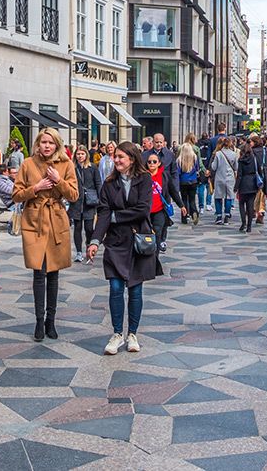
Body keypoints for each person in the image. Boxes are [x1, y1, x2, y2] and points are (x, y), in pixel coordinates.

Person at [88, 142, 163, 355]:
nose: (117, 160)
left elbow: (143, 210)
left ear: (132, 158)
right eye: (116, 157)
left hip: (138, 241)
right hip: (115, 242)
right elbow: (103, 213)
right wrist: (95, 241)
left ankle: (132, 334)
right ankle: (117, 334)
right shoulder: (109, 183)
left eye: (121, 157)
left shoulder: (144, 179)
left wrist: (116, 216)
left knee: (136, 290)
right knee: (115, 288)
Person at [13, 128, 79, 342]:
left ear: (57, 144)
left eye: (51, 142)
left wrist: (58, 180)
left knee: (54, 272)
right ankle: (39, 321)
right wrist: (36, 187)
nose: (47, 146)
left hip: (56, 219)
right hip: (34, 220)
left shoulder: (66, 164)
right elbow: (15, 195)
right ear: (38, 144)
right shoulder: (28, 164)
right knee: (38, 272)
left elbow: (74, 195)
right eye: (43, 142)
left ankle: (51, 320)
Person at [71, 145, 103, 261]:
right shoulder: (73, 168)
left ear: (86, 155)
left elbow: (98, 183)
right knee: (77, 228)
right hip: (76, 202)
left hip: (89, 201)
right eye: (78, 154)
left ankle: (89, 247)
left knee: (89, 228)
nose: (80, 156)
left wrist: (100, 199)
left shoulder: (92, 167)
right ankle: (79, 252)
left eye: (82, 154)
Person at [144, 149, 179, 254]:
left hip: (160, 209)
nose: (152, 164)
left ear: (159, 163)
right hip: (146, 210)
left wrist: (181, 205)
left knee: (158, 232)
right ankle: (147, 254)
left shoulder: (164, 175)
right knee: (146, 233)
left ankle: (156, 256)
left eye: (154, 162)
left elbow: (172, 190)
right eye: (149, 162)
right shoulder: (143, 176)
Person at [236, 138, 264, 233]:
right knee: (250, 205)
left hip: (243, 183)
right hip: (252, 183)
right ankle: (249, 226)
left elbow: (239, 175)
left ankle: (243, 223)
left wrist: (236, 187)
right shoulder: (254, 158)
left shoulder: (241, 160)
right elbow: (259, 171)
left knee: (241, 204)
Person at [210, 136, 238, 225]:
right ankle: (226, 216)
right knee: (229, 197)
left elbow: (214, 167)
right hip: (230, 178)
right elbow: (236, 167)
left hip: (219, 178)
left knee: (218, 197)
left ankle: (218, 216)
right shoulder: (234, 154)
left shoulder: (218, 154)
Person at [175, 139, 202, 225]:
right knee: (192, 199)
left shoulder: (179, 160)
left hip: (183, 181)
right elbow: (198, 169)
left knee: (184, 200)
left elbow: (178, 172)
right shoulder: (194, 157)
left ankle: (184, 217)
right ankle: (194, 212)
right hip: (193, 181)